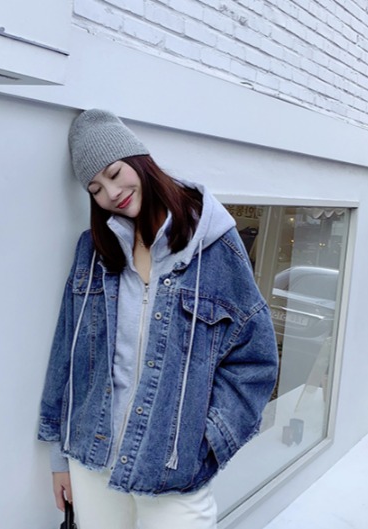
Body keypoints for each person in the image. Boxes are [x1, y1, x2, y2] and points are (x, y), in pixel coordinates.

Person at [38, 109, 279, 529]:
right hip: (92, 456)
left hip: (171, 467)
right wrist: (60, 457)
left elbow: (255, 360)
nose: (112, 193)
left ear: (140, 161)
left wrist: (206, 440)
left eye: (115, 173)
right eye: (96, 189)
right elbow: (67, 354)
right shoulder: (93, 251)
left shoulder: (215, 249)